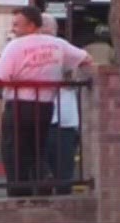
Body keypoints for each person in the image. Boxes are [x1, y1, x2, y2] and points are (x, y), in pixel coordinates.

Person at [0, 6, 89, 198]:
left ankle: (20, 194)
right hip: (45, 107)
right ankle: (43, 179)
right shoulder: (58, 44)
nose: (13, 29)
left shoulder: (16, 46)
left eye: (17, 25)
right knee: (36, 148)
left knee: (14, 152)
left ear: (31, 25)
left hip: (19, 105)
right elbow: (86, 59)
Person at [38, 13, 93, 195]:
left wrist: (71, 74)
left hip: (63, 120)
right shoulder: (26, 48)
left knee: (63, 176)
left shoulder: (62, 47)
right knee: (42, 178)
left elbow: (86, 64)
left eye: (48, 31)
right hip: (43, 119)